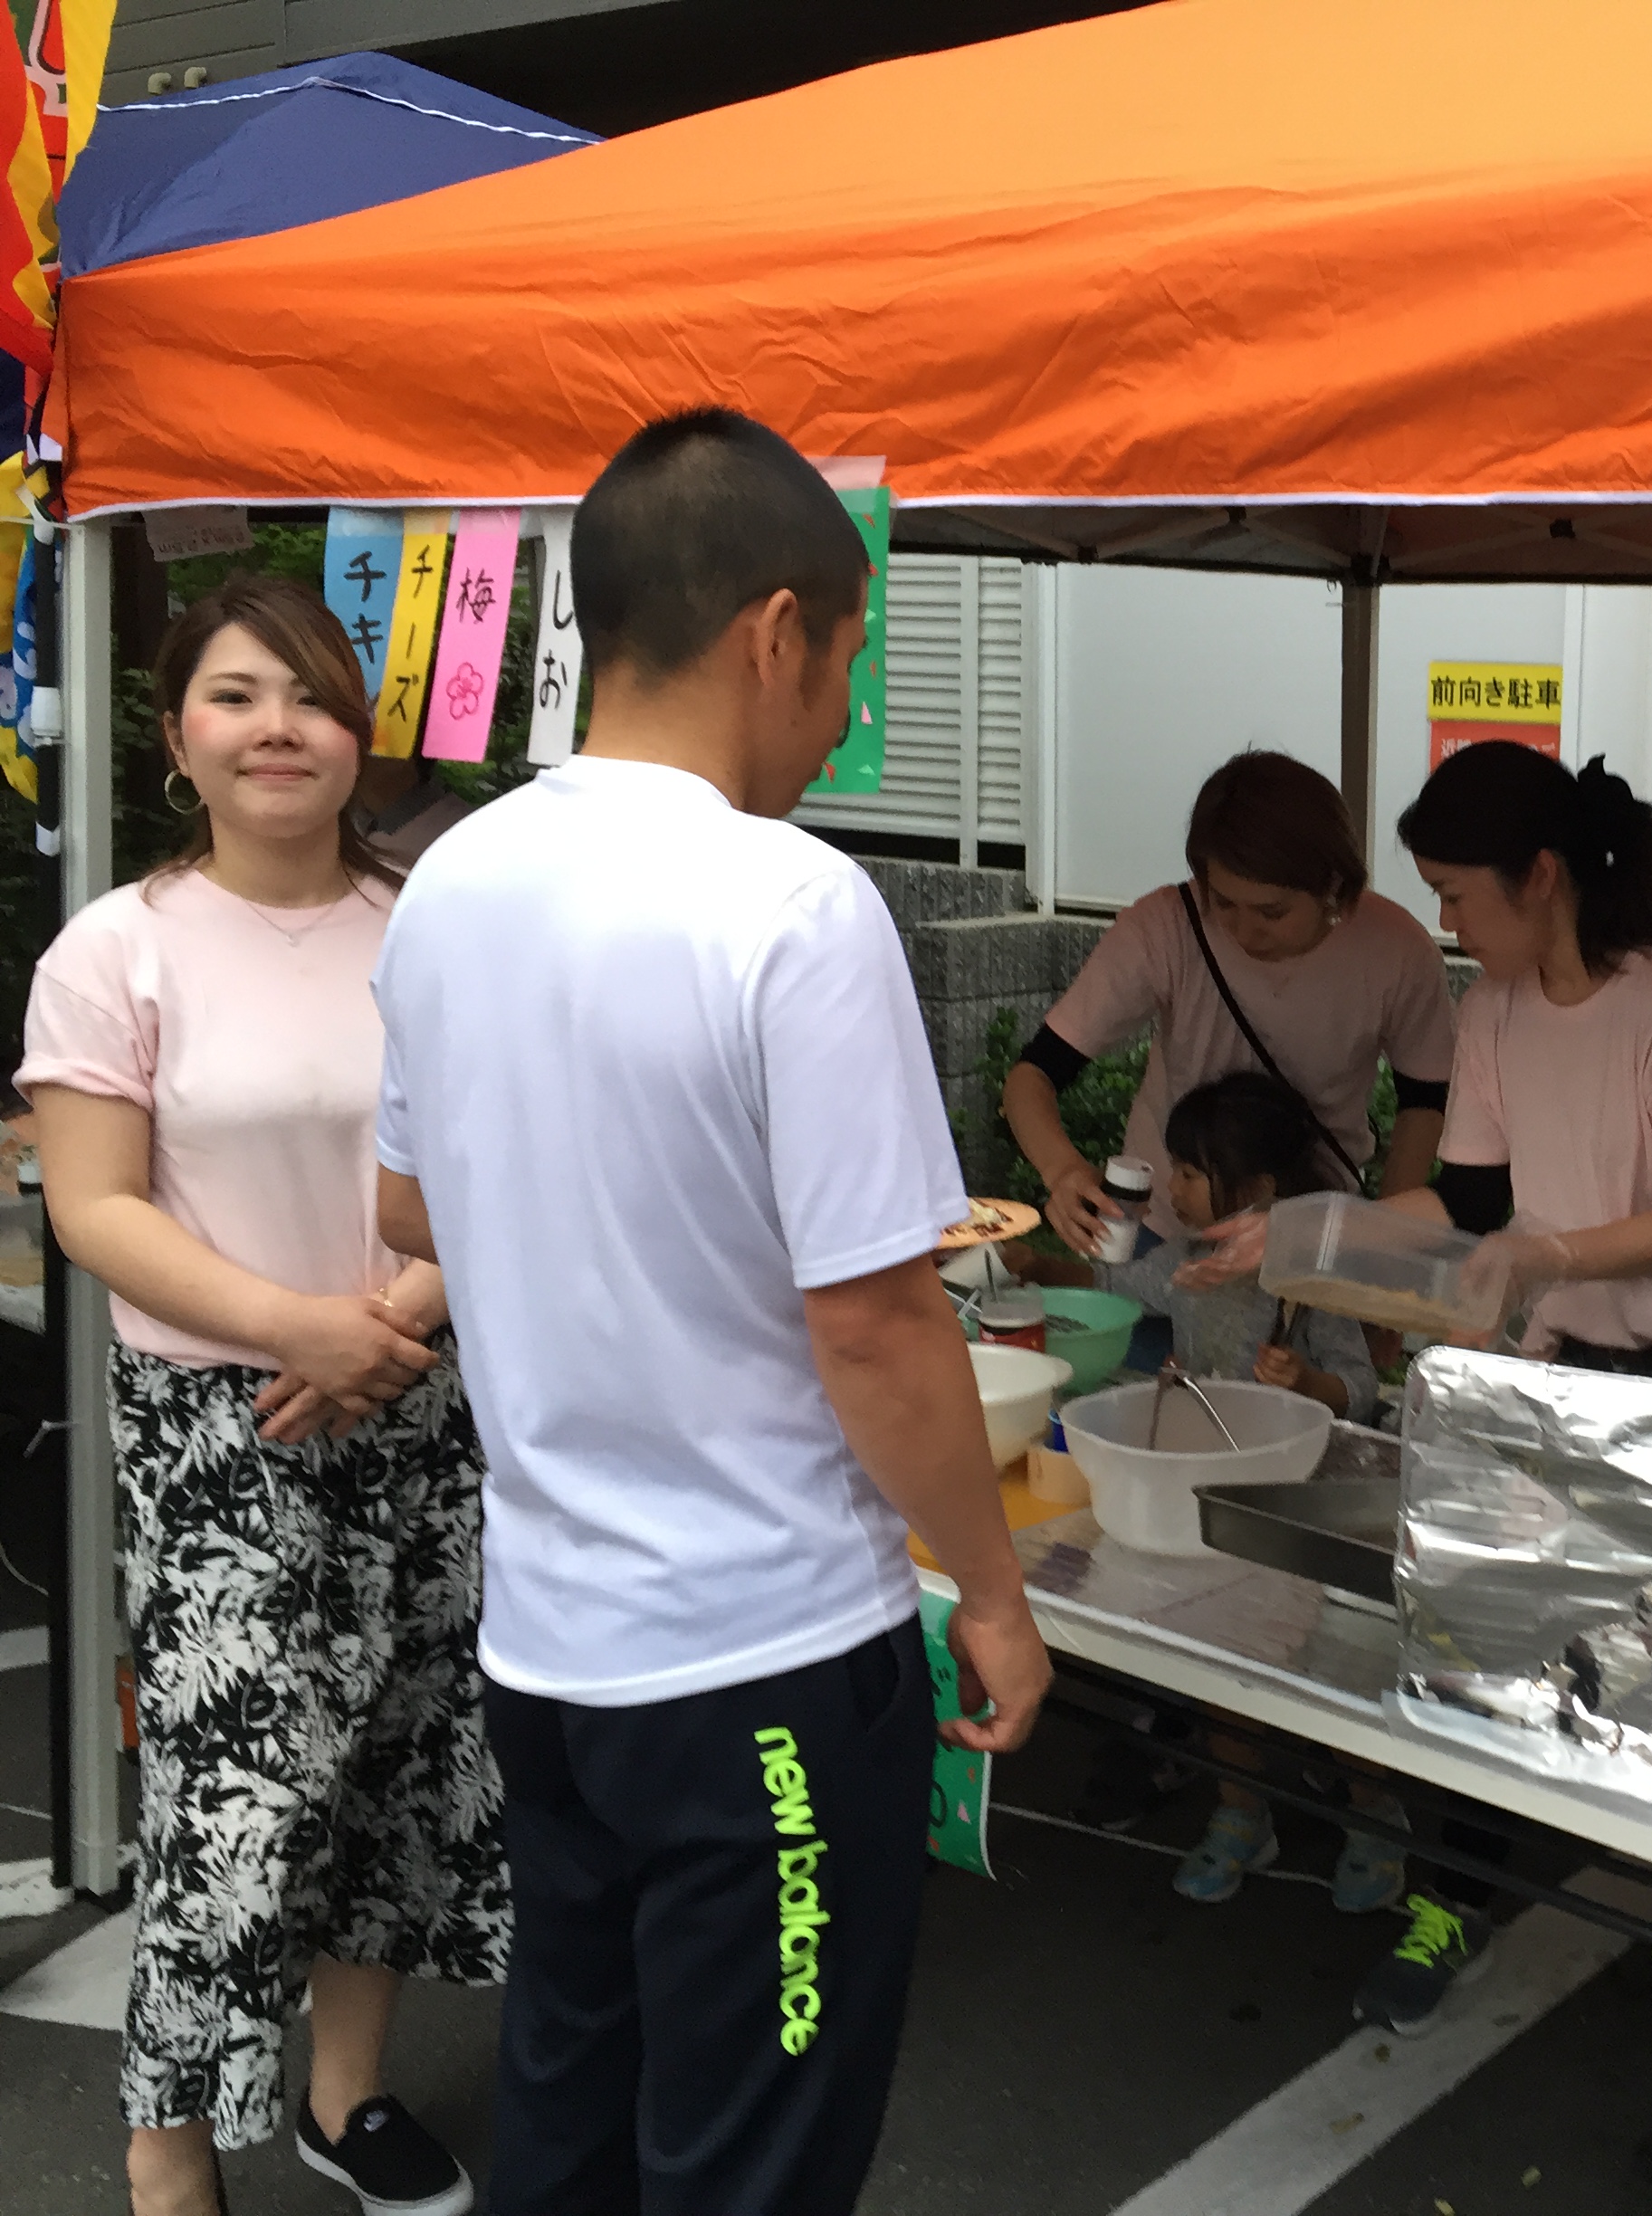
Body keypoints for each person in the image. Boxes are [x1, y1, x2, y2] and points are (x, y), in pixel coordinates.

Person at [369, 409, 1052, 2214]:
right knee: (748, 2160)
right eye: (848, 663)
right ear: (775, 632)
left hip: (550, 1651)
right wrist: (993, 1597)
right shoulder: (791, 901)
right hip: (762, 1658)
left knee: (571, 2114)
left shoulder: (448, 883)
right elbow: (879, 1327)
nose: (842, 715)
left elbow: (406, 1211)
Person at [19, 574, 503, 2216]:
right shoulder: (118, 947)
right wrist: (301, 1327)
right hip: (220, 1437)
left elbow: (503, 1152)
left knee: (402, 1770)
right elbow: (95, 1209)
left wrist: (401, 1315)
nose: (275, 726)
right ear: (177, 738)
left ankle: (344, 2096)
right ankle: (166, 2154)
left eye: (309, 696)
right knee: (227, 1806)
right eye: (235, 695)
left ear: (360, 736)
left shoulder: (432, 925)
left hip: (418, 1402)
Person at [1361, 741, 1652, 2035]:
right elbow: (1470, 1200)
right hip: (1563, 1368)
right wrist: (1297, 1229)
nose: (1448, 923)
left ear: (1541, 876)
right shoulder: (1492, 1012)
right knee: (1472, 1628)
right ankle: (1451, 1896)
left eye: (1457, 895)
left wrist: (1546, 1256)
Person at [1092, 1071, 1413, 1912]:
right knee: (1219, 1663)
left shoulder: (1309, 1280)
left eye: (1190, 1173)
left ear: (1259, 1190)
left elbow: (1360, 1390)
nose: (1174, 1189)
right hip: (1212, 1499)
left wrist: (1306, 1381)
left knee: (1324, 1672)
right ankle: (1241, 1814)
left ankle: (1376, 1820)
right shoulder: (1188, 1262)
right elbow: (1115, 1288)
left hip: (1299, 1504)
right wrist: (1061, 1243)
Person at [1001, 748, 1456, 1303]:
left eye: (1272, 912)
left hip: (1311, 1237)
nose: (1244, 930)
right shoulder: (1165, 926)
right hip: (1166, 1225)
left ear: (1334, 885)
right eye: (1223, 902)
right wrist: (1063, 1170)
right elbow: (1033, 1074)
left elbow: (1424, 1106)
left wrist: (1384, 1244)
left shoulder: (1398, 951)